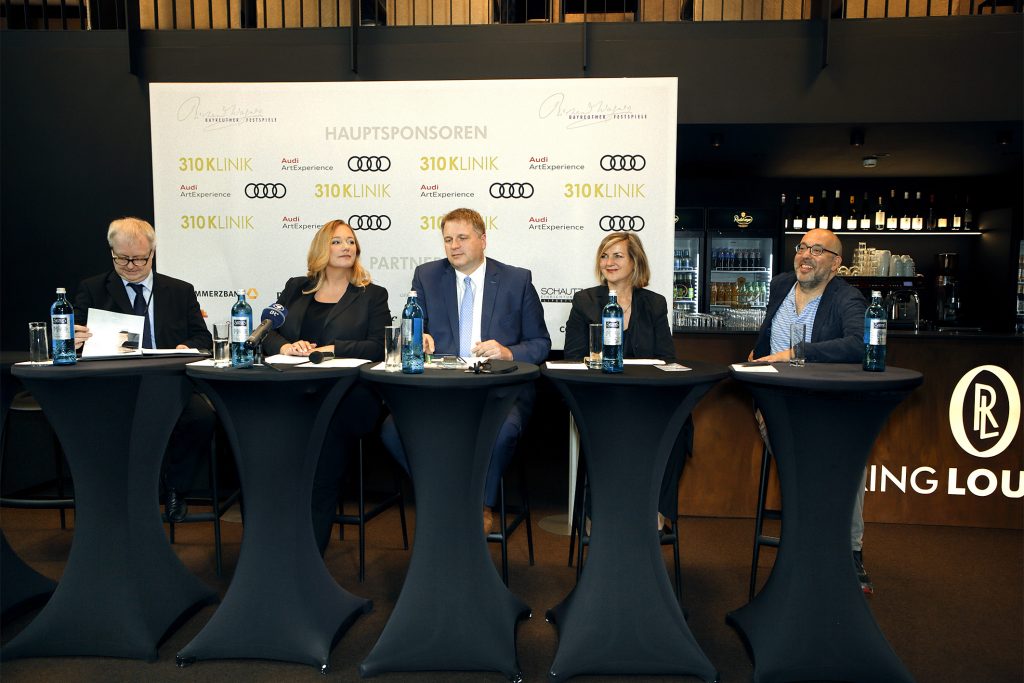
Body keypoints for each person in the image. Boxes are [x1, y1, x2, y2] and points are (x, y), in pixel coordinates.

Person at [381, 207, 551, 533]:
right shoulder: (427, 276)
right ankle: (444, 494)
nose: (454, 246)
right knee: (392, 429)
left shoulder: (516, 280)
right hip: (441, 389)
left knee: (502, 430)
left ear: (483, 240)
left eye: (462, 237)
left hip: (497, 390)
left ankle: (480, 504)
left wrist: (507, 351)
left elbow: (540, 343)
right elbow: (412, 333)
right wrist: (420, 338)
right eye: (447, 239)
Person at [749, 227, 873, 594]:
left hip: (826, 403)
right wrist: (755, 356)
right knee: (808, 457)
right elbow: (768, 329)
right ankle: (808, 546)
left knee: (847, 456)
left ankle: (847, 550)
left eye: (818, 250)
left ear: (836, 264)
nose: (806, 255)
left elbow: (859, 343)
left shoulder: (846, 297)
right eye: (802, 247)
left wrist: (796, 354)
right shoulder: (780, 285)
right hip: (778, 403)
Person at [262, 219, 391, 555]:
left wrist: (331, 349)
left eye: (350, 242)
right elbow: (269, 331)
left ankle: (309, 551)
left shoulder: (371, 294)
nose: (346, 247)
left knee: (323, 445)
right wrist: (285, 347)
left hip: (351, 393)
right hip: (298, 387)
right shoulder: (296, 287)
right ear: (322, 248)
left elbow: (379, 345)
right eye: (337, 242)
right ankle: (274, 543)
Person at [73, 217, 213, 523]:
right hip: (116, 386)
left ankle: (176, 487)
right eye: (122, 258)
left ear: (152, 252)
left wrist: (184, 348)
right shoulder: (93, 289)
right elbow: (75, 339)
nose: (132, 265)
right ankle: (121, 496)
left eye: (139, 258)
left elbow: (203, 339)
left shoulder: (179, 290)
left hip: (168, 384)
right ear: (111, 251)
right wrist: (75, 339)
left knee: (202, 417)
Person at [563, 232, 688, 533]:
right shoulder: (585, 301)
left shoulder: (654, 304)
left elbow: (666, 358)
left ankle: (657, 509)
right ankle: (595, 514)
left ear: (635, 262)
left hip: (645, 399)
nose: (609, 262)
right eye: (605, 256)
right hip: (602, 397)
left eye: (618, 255)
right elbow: (573, 356)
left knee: (681, 425)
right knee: (604, 428)